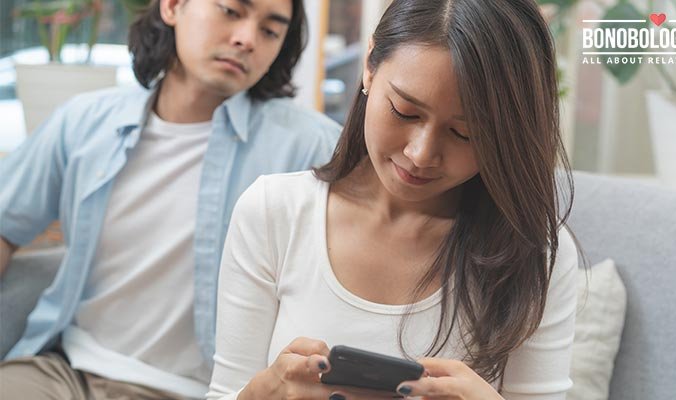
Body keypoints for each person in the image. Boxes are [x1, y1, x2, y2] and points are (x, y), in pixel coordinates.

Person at [207, 0, 579, 399]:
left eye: (465, 134)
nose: (421, 154)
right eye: (404, 111)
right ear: (370, 65)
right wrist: (266, 391)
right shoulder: (273, 211)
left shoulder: (532, 254)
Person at [0, 0, 340, 398]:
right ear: (173, 6)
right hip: (63, 371)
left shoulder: (313, 148)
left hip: (202, 390)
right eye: (231, 11)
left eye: (269, 31)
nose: (246, 39)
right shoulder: (85, 121)